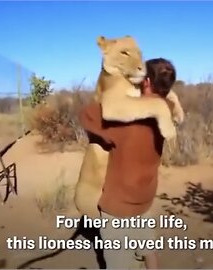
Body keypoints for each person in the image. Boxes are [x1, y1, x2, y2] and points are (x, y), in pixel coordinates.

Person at [78, 58, 178, 269]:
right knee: (148, 251)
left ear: (147, 82)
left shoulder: (125, 121)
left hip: (118, 206)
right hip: (144, 198)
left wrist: (116, 84)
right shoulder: (166, 108)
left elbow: (87, 114)